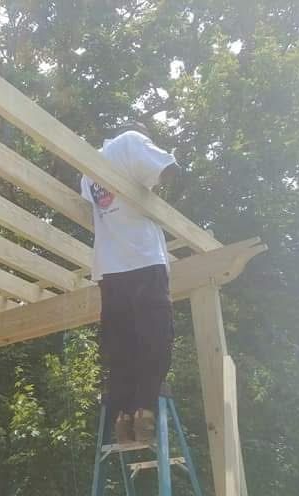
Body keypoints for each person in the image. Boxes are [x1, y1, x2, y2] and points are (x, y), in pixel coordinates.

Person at [80, 123, 179, 444]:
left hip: (109, 272)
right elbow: (168, 169)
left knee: (120, 348)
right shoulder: (129, 142)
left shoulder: (87, 171)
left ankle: (122, 416)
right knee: (156, 338)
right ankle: (144, 410)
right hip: (144, 260)